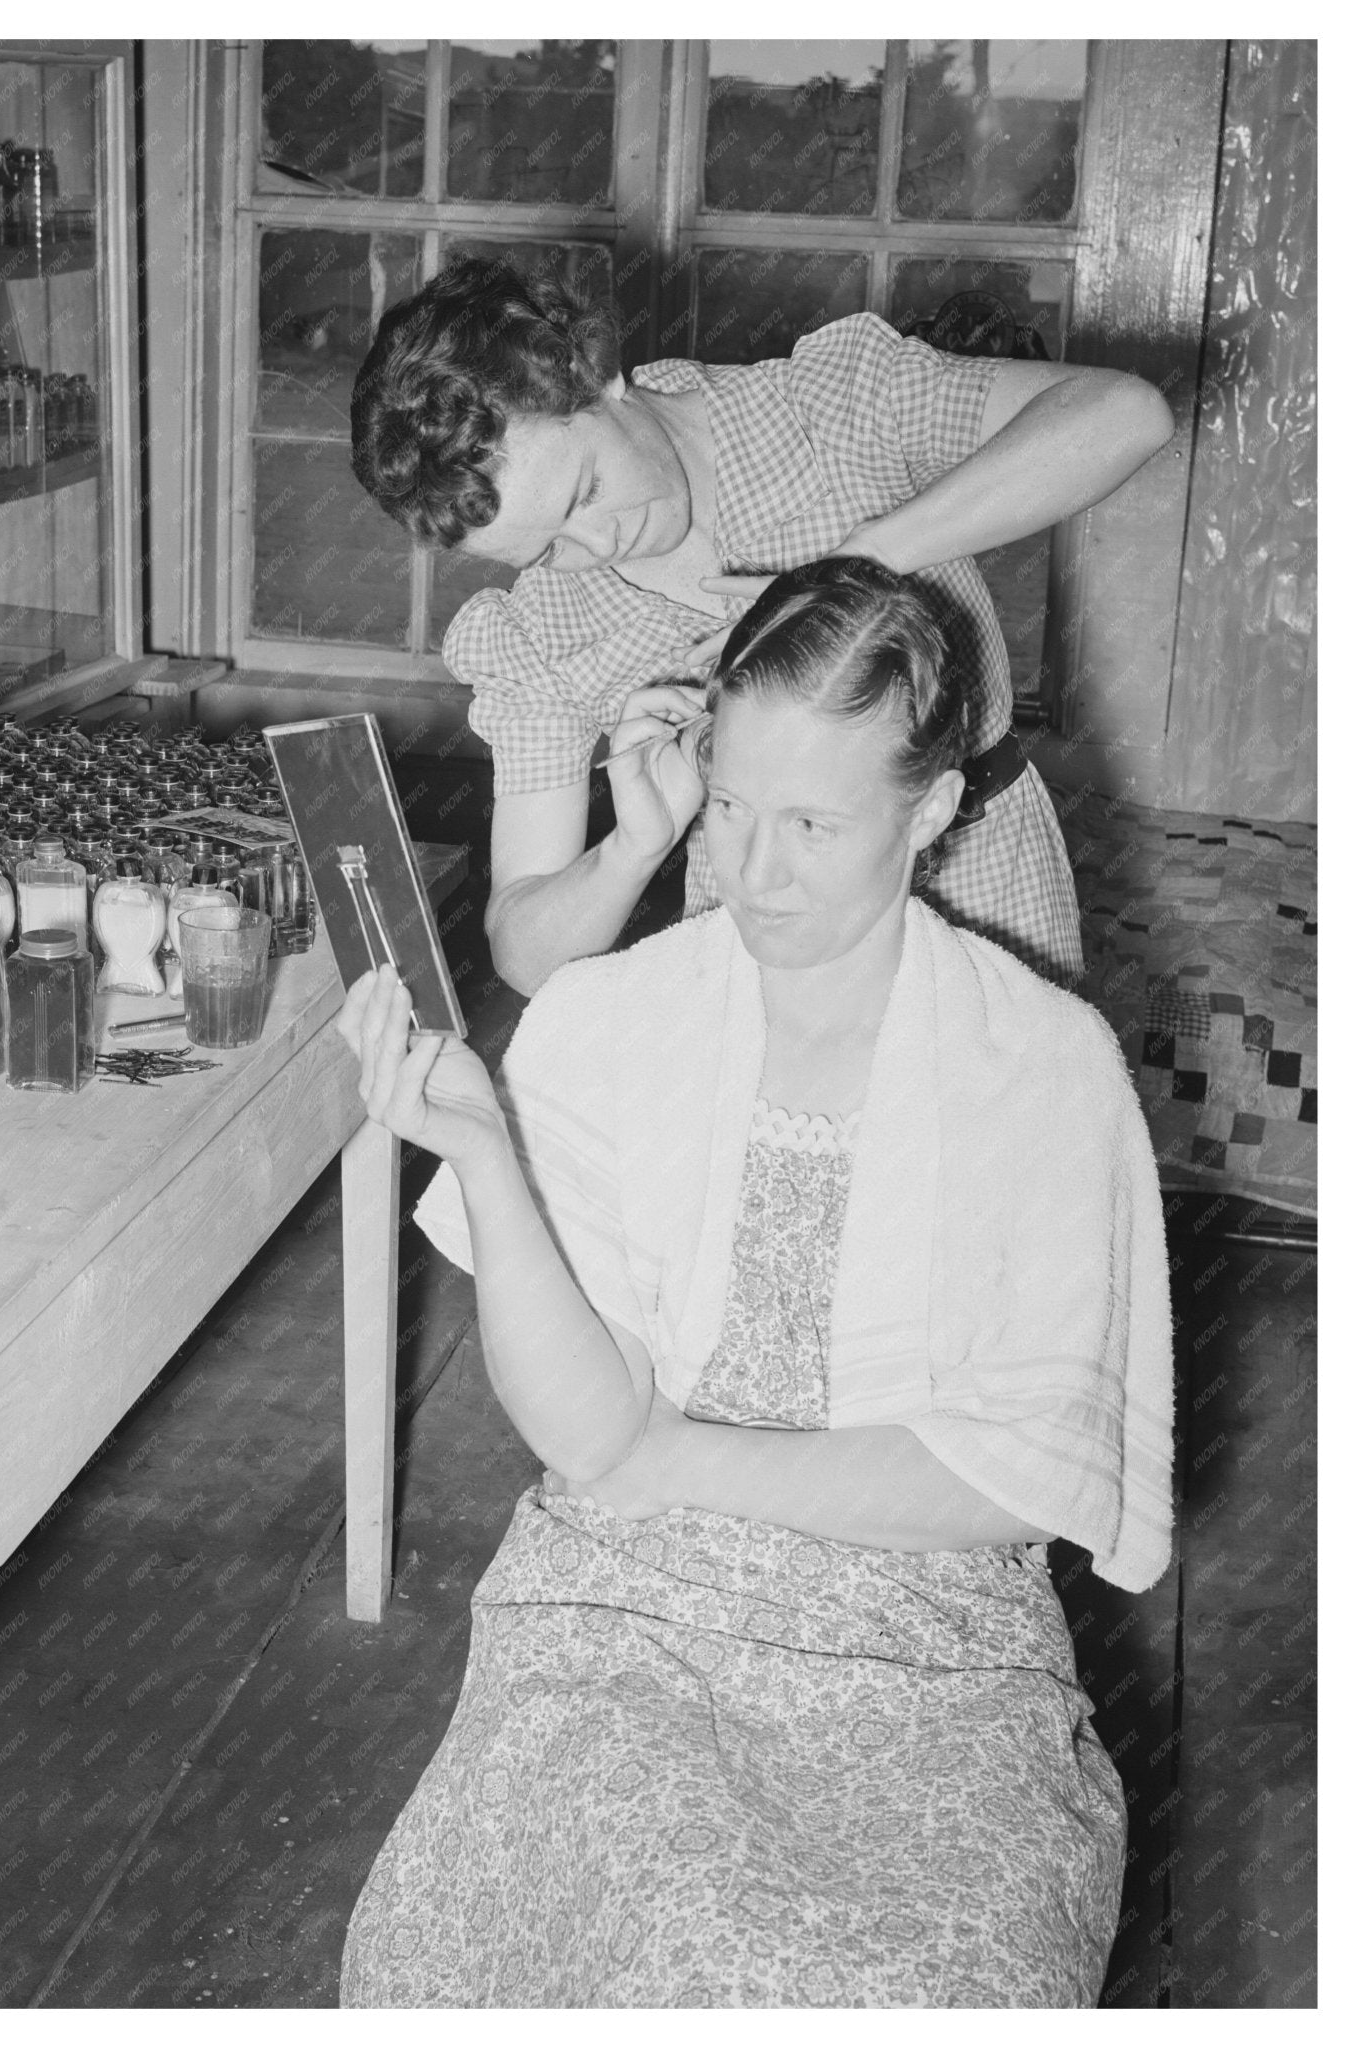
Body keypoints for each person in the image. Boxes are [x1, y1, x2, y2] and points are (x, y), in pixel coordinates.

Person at [332, 558, 1175, 2009]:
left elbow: (1020, 1482)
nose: (752, 871)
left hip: (933, 1645)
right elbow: (590, 1442)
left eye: (813, 824)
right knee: (650, 1912)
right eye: (728, 805)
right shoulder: (612, 1021)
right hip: (626, 1605)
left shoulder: (1042, 1067)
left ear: (932, 812)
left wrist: (675, 1460)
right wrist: (480, 1154)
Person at [350, 256, 1175, 996]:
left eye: (585, 492)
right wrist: (634, 845)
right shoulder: (541, 630)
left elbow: (1123, 414)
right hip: (762, 941)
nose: (596, 547)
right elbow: (524, 955)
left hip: (986, 886)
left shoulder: (828, 407)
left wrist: (865, 559)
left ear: (594, 374)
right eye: (545, 550)